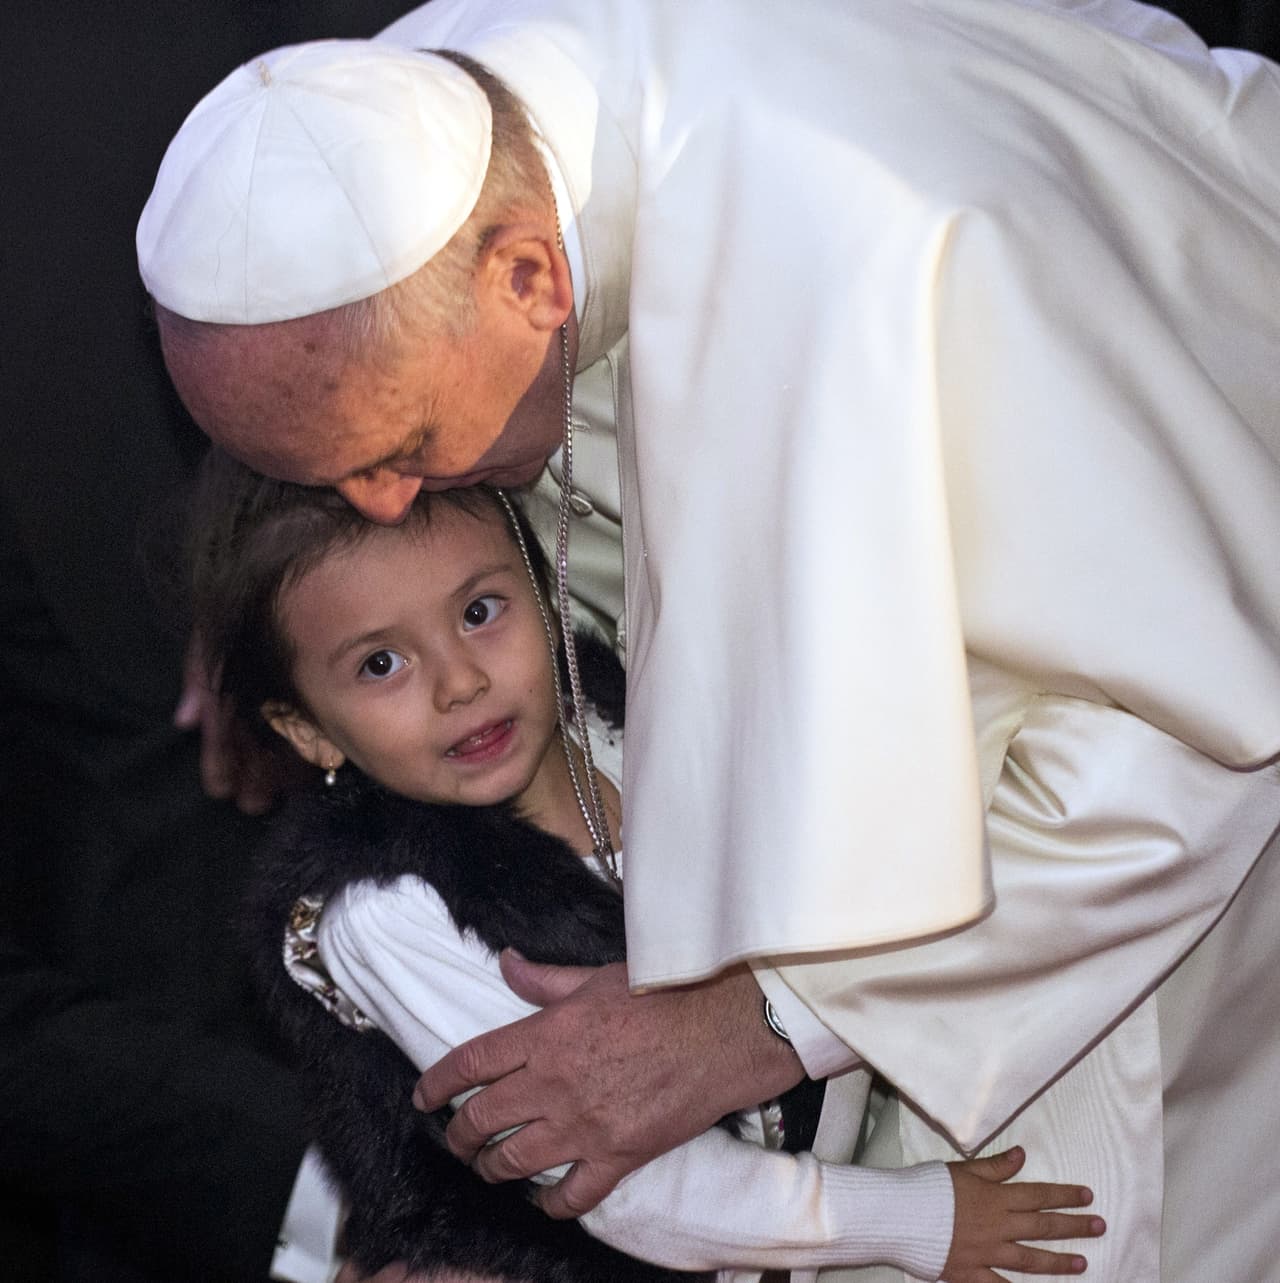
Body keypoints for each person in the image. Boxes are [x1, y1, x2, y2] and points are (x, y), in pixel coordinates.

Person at [136, 2, 1280, 1279]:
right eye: (326, 478)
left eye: (399, 451)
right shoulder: (418, 126)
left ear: (529, 280)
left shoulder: (911, 249)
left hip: (1099, 968)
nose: (387, 508)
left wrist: (768, 1019)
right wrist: (283, 600)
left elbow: (1197, 736)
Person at [187, 448, 1103, 1283]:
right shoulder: (391, 913)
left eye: (478, 612)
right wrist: (919, 1219)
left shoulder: (641, 726)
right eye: (382, 663)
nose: (459, 681)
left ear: (546, 592)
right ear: (307, 730)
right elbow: (633, 1188)